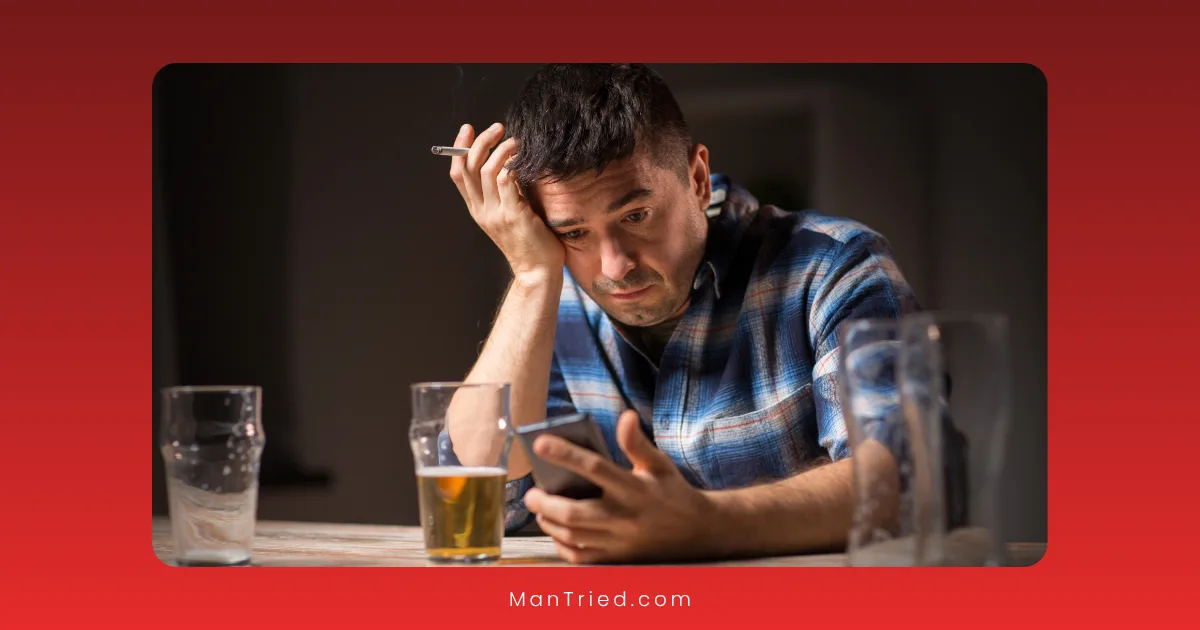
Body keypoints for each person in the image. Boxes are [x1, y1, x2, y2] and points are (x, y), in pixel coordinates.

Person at [444, 63, 919, 564]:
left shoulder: (834, 266)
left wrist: (707, 524)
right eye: (574, 232)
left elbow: (905, 475)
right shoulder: (549, 302)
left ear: (696, 178)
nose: (615, 267)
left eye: (635, 216)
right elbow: (478, 496)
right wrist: (531, 277)